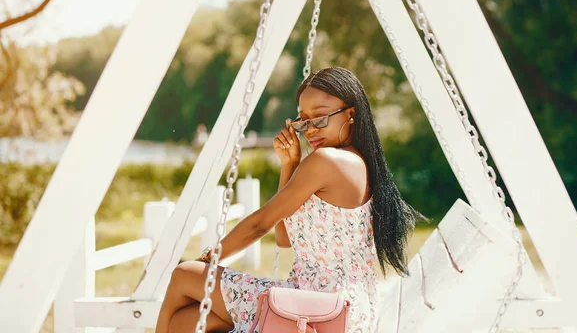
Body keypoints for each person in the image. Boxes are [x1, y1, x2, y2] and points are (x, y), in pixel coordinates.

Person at [155, 67, 423, 333]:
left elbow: (261, 224)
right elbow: (285, 238)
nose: (310, 131)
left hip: (320, 306)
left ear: (351, 114)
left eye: (319, 118)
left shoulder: (327, 161)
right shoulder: (358, 162)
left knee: (186, 274)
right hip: (341, 308)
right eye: (303, 121)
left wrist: (209, 259)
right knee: (186, 322)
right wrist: (290, 164)